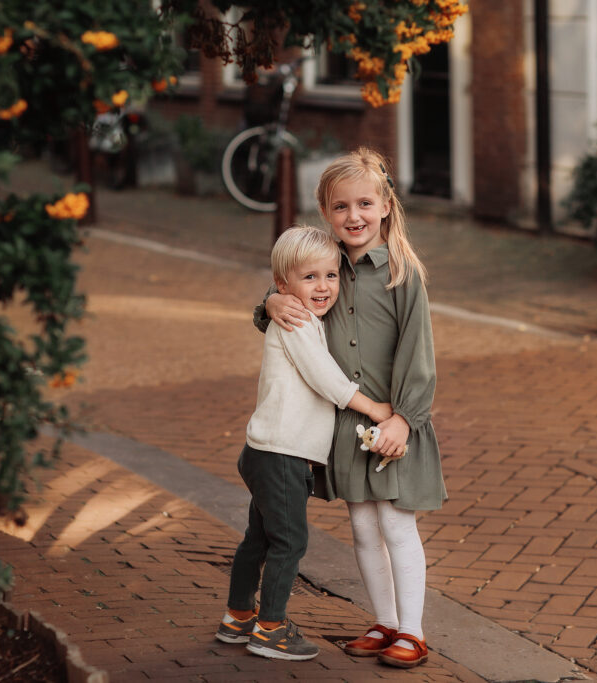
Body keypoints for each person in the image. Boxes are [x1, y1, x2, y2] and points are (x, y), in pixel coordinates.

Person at [256, 147, 446, 669]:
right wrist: (267, 304)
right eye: (340, 207)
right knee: (363, 528)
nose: (353, 216)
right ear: (324, 211)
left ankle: (412, 630)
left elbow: (419, 357)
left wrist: (405, 419)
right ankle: (383, 621)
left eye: (365, 203)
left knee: (397, 525)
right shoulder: (327, 266)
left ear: (386, 205)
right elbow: (286, 290)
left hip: (395, 422)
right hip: (347, 425)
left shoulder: (404, 275)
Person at [216, 225, 393, 661]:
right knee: (289, 543)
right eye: (310, 277)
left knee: (258, 539)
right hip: (281, 454)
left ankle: (238, 617)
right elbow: (325, 378)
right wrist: (373, 408)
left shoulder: (304, 317)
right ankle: (270, 628)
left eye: (331, 276)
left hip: (268, 451)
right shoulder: (295, 322)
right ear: (283, 285)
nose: (323, 286)